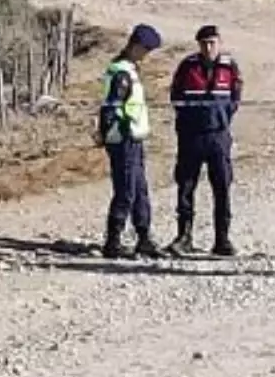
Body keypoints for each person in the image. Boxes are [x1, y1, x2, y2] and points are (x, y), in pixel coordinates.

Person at [165, 25, 242, 256]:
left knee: (222, 187)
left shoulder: (230, 67)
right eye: (204, 43)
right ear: (198, 45)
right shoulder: (188, 66)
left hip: (218, 135)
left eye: (213, 42)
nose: (209, 47)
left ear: (219, 42)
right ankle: (184, 236)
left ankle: (222, 239)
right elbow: (176, 95)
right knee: (186, 186)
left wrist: (222, 118)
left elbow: (236, 97)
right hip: (191, 136)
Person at [97, 24, 163, 259]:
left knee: (139, 189)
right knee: (126, 191)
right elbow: (111, 109)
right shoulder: (121, 72)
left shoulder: (129, 69)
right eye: (146, 50)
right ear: (136, 46)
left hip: (134, 138)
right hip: (123, 138)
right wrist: (114, 131)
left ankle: (143, 237)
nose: (147, 56)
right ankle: (113, 241)